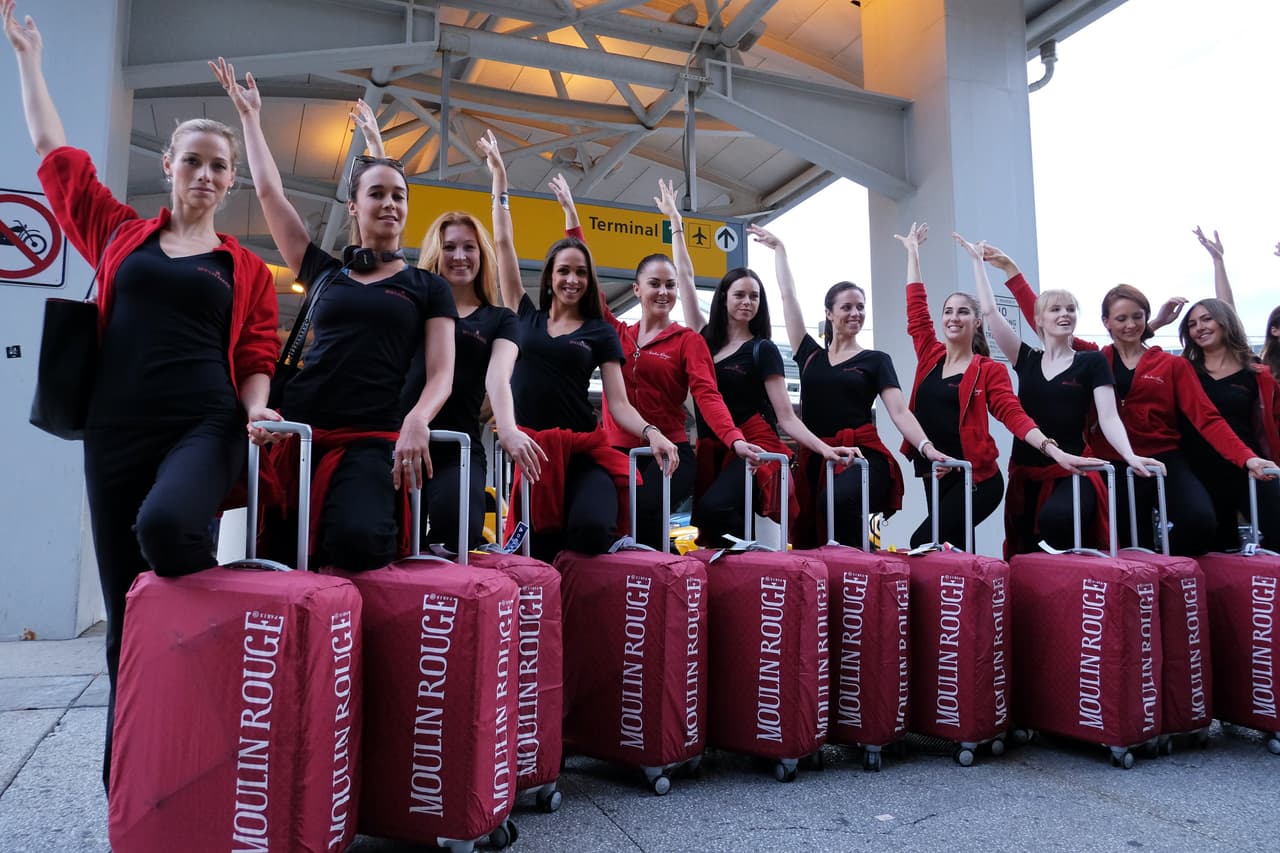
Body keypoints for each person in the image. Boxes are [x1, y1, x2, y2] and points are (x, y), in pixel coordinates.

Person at [6, 2, 281, 790]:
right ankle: (130, 779)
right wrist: (28, 56)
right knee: (127, 613)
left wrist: (257, 407)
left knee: (166, 528)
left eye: (217, 166)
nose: (204, 175)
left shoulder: (245, 268)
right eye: (192, 160)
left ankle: (219, 659)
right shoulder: (120, 233)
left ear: (231, 181)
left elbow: (259, 350)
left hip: (206, 422)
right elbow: (54, 153)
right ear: (168, 166)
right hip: (115, 432)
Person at [214, 58, 456, 571]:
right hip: (300, 428)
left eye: (399, 196)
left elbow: (442, 375)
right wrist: (251, 120)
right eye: (377, 194)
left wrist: (418, 419)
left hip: (373, 436)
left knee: (358, 542)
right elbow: (269, 194)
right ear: (353, 206)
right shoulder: (324, 271)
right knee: (279, 555)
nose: (390, 204)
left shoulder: (427, 286)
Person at [358, 115, 546, 551]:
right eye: (449, 247)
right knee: (381, 539)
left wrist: (511, 428)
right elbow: (381, 230)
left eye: (468, 247)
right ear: (434, 254)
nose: (459, 256)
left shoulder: (500, 319)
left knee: (453, 525)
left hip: (457, 449)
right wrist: (375, 146)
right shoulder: (415, 297)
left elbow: (498, 379)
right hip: (399, 438)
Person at [546, 174, 763, 548]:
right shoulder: (614, 332)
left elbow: (708, 396)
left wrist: (734, 439)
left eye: (670, 285)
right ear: (637, 289)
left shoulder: (688, 340)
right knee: (600, 520)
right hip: (615, 448)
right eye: (654, 284)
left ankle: (656, 585)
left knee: (645, 510)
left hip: (670, 452)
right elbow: (589, 283)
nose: (663, 292)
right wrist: (571, 213)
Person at [486, 139, 678, 561]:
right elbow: (502, 246)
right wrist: (500, 181)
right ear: (550, 276)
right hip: (535, 455)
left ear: (589, 280)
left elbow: (619, 404)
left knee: (590, 532)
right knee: (539, 550)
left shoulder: (599, 332)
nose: (572, 279)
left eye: (580, 273)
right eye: (563, 271)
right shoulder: (523, 315)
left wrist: (652, 432)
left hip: (582, 451)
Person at [1000, 264, 1276, 555]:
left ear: (1146, 319)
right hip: (1112, 462)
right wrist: (1012, 274)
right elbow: (1047, 319)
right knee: (1129, 542)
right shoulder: (1095, 358)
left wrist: (1248, 458)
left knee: (1198, 521)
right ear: (1106, 322)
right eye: (1121, 318)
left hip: (1163, 460)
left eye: (1137, 317)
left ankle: (1175, 572)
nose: (1130, 324)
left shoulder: (1173, 365)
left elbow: (1207, 419)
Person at [896, 223, 1098, 549]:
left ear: (977, 322)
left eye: (963, 312)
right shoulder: (930, 355)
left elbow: (1013, 414)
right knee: (954, 554)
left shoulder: (988, 370)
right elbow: (917, 311)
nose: (953, 318)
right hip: (934, 472)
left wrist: (1052, 448)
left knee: (924, 541)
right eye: (948, 311)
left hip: (977, 481)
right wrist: (912, 254)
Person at [958, 236, 1162, 556]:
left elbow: (1109, 417)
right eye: (1055, 309)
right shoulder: (1024, 359)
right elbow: (990, 311)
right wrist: (976, 263)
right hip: (1026, 472)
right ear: (1038, 319)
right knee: (1023, 553)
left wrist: (1129, 456)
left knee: (1058, 522)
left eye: (1070, 309)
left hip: (1074, 467)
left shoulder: (1090, 362)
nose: (1065, 314)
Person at [747, 223, 947, 548]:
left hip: (863, 457)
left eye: (861, 307)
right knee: (813, 533)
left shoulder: (876, 360)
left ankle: (858, 575)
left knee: (838, 502)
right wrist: (780, 251)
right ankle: (836, 587)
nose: (856, 313)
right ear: (829, 313)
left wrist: (926, 447)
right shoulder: (809, 354)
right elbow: (788, 296)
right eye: (847, 307)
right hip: (818, 456)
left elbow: (898, 411)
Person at [676, 250, 859, 548]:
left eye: (754, 296)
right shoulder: (704, 340)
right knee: (717, 528)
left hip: (754, 447)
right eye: (740, 295)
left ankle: (747, 567)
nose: (747, 302)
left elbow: (786, 416)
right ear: (723, 298)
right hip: (714, 447)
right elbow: (685, 279)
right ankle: (739, 581)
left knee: (715, 509)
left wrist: (824, 449)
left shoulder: (763, 350)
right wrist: (675, 223)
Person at [1176, 297, 1280, 549]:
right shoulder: (1182, 370)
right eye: (1192, 324)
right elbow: (1131, 351)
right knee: (1217, 547)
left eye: (1206, 319)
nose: (1199, 327)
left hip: (1250, 467)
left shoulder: (1257, 373)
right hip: (1198, 470)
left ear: (1225, 322)